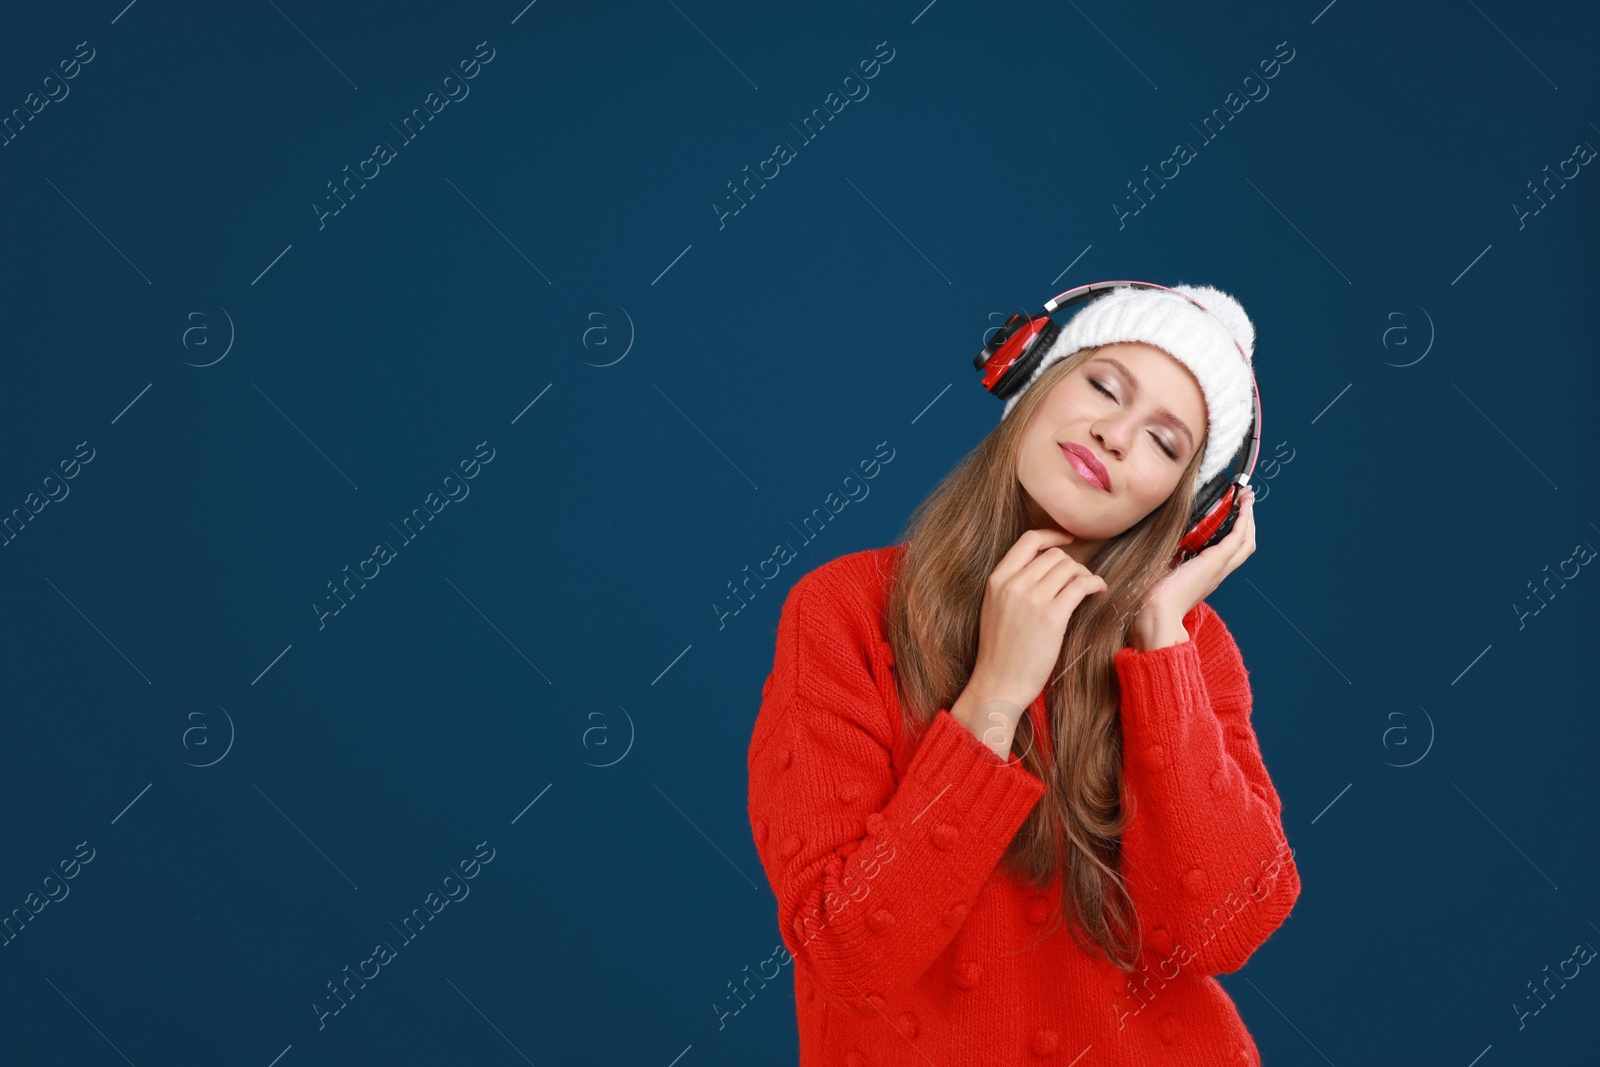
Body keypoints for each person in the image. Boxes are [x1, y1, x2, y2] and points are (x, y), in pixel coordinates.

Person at [747, 283, 1300, 1065]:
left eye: (1164, 443)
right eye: (1103, 385)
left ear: (1191, 512)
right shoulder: (843, 612)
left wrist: (1162, 649)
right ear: (1032, 378)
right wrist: (995, 697)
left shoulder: (1187, 649)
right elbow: (849, 956)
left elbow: (1223, 931)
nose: (1113, 434)